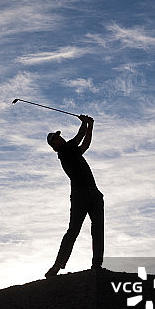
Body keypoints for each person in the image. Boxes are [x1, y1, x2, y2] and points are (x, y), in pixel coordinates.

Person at [45, 115, 104, 277]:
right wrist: (85, 123)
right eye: (57, 138)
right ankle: (57, 266)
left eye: (59, 136)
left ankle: (97, 264)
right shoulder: (64, 152)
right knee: (74, 230)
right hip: (80, 194)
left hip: (94, 192)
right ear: (54, 144)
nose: (60, 138)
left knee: (97, 229)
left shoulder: (72, 151)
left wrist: (90, 125)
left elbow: (85, 144)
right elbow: (79, 137)